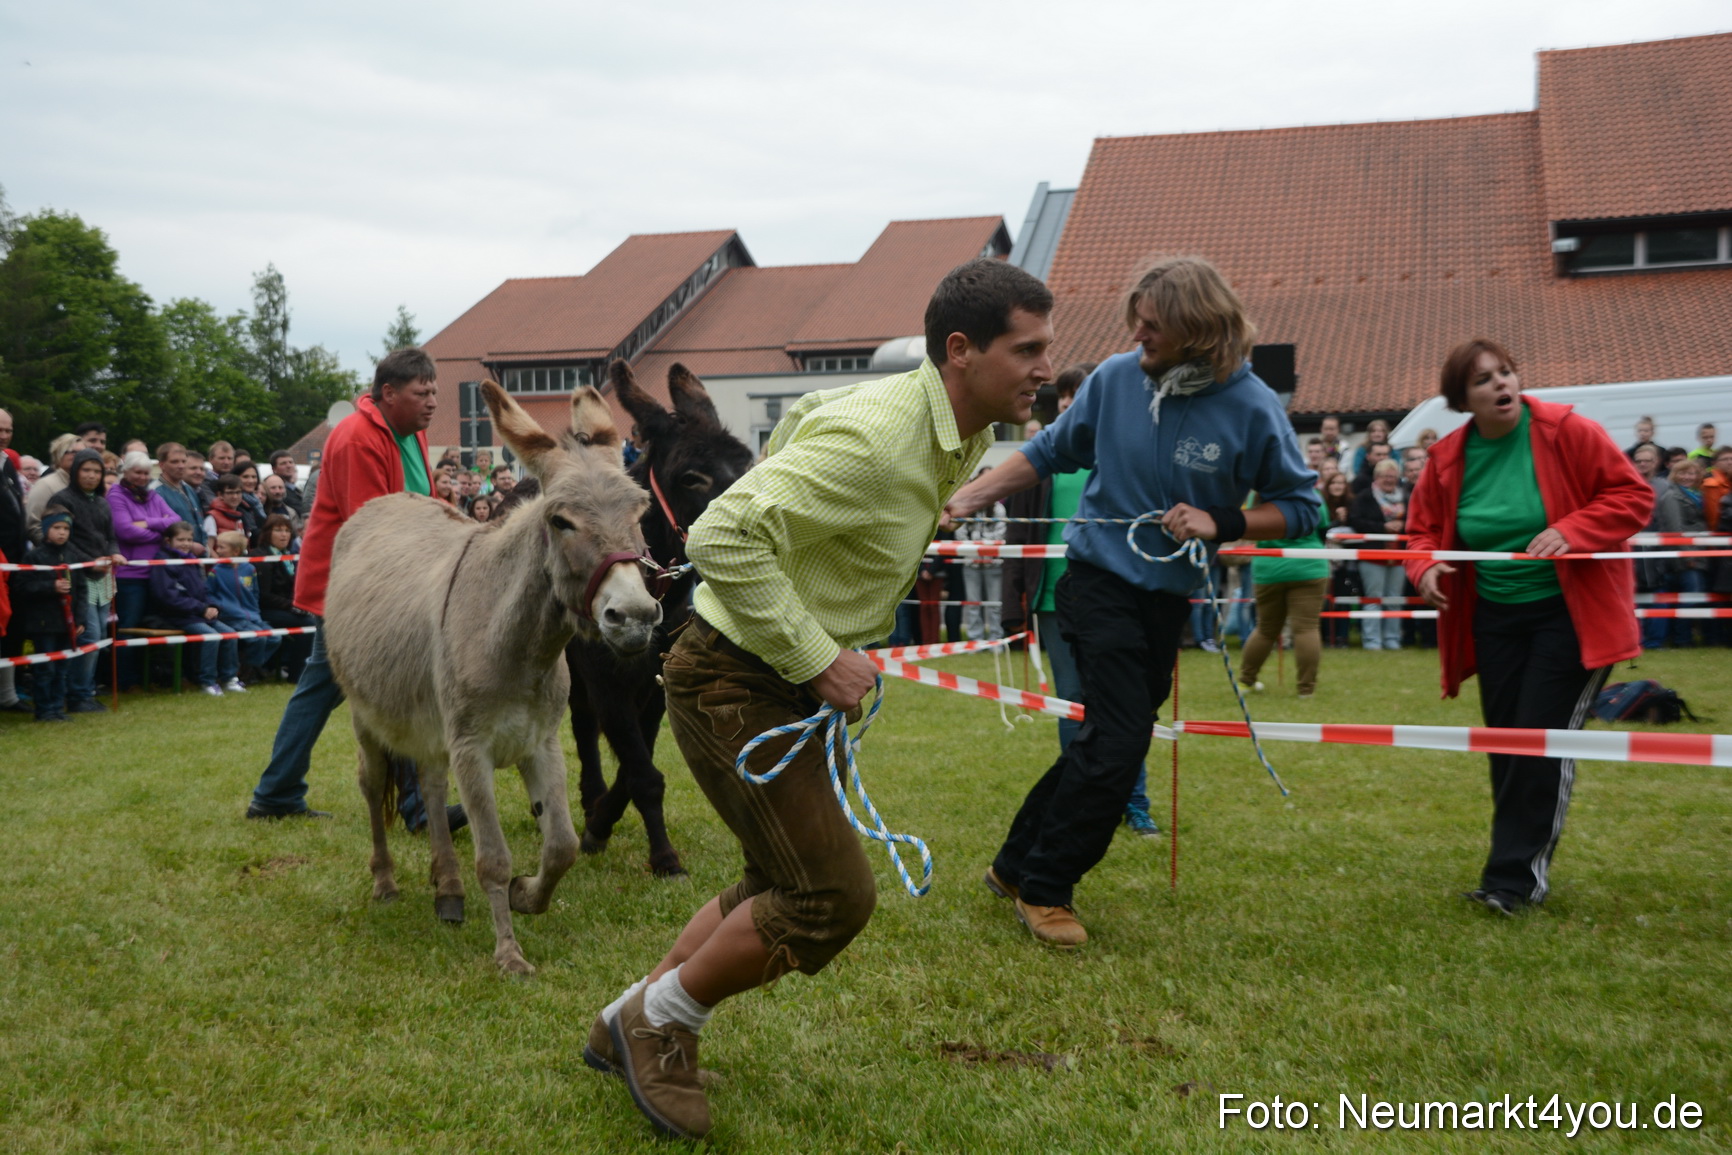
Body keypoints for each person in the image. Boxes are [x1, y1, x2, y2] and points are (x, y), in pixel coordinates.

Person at [586, 259, 1053, 1141]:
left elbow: (799, 426)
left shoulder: (940, 423)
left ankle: (627, 1018)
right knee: (831, 896)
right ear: (961, 351)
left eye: (1044, 348)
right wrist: (817, 654)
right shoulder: (885, 437)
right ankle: (663, 1022)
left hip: (768, 675)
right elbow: (721, 529)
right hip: (735, 674)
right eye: (1026, 349)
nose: (1043, 366)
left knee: (778, 879)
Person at [948, 255, 1319, 949]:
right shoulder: (1116, 380)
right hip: (1096, 582)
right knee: (1119, 740)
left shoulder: (1253, 405)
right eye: (1136, 322)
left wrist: (1223, 522)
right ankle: (1046, 885)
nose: (1136, 336)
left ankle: (1011, 864)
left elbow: (1300, 507)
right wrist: (968, 497)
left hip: (1167, 599)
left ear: (1199, 330)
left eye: (1152, 326)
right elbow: (1049, 451)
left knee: (1103, 739)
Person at [1406, 338, 1650, 916]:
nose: (1502, 385)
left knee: (1539, 741)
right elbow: (1419, 533)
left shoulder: (1569, 431)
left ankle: (1514, 881)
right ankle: (1508, 872)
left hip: (1570, 616)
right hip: (1495, 617)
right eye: (1485, 379)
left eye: (1507, 373)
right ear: (1461, 399)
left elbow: (1631, 496)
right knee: (1505, 742)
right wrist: (1425, 566)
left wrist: (1574, 529)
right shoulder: (1445, 460)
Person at [247, 346, 462, 834]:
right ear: (388, 393)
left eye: (434, 392)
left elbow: (419, 510)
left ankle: (280, 792)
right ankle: (414, 809)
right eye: (420, 392)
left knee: (328, 686)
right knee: (360, 685)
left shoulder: (409, 434)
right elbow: (374, 530)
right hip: (353, 589)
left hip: (390, 585)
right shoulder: (356, 438)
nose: (432, 403)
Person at [46, 448, 124, 712]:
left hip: (103, 579)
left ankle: (85, 690)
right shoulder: (62, 499)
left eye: (96, 471)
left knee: (100, 634)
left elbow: (110, 536)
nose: (91, 476)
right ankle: (76, 694)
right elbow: (64, 541)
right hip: (79, 578)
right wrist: (93, 562)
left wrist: (113, 553)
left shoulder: (102, 501)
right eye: (86, 470)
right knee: (88, 634)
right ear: (75, 471)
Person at [108, 451, 184, 690]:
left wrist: (148, 524)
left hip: (155, 573)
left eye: (145, 473)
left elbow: (176, 521)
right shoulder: (116, 495)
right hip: (130, 576)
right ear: (125, 472)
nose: (141, 477)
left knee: (152, 627)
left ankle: (146, 677)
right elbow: (125, 531)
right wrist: (160, 534)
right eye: (137, 472)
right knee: (128, 628)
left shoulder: (151, 496)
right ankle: (122, 680)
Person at [1238, 506, 1328, 698]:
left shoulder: (1262, 496)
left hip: (1269, 567)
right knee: (1307, 628)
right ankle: (1306, 689)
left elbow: (1250, 528)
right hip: (1309, 564)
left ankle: (1246, 681)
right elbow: (1323, 530)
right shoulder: (1313, 494)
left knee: (1265, 629)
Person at [146, 522, 245, 696]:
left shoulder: (192, 561)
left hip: (198, 613)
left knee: (230, 634)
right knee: (211, 637)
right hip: (177, 616)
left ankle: (230, 678)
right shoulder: (162, 562)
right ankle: (207, 681)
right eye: (180, 539)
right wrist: (201, 609)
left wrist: (211, 606)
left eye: (189, 540)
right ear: (168, 541)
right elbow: (168, 597)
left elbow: (202, 590)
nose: (185, 543)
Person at [14, 511, 86, 721]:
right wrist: (50, 586)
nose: (62, 533)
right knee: (45, 668)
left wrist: (79, 618)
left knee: (62, 667)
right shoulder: (34, 556)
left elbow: (81, 589)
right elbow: (21, 586)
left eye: (65, 529)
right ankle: (44, 709)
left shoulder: (73, 555)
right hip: (43, 622)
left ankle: (57, 707)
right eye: (57, 528)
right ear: (46, 529)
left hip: (67, 622)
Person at [1350, 458, 1408, 650]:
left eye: (1393, 476)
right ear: (1377, 477)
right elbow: (1356, 521)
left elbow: (1414, 521)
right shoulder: (1365, 497)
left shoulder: (1406, 497)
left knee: (1394, 599)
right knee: (1373, 597)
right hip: (1373, 555)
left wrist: (1402, 526)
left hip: (1399, 556)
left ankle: (1392, 639)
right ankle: (1372, 641)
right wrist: (1383, 527)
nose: (1389, 480)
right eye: (1385, 476)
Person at [208, 530, 280, 682]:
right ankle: (246, 675)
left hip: (252, 616)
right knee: (258, 639)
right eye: (217, 547)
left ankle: (250, 667)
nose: (217, 551)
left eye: (222, 547)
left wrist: (255, 612)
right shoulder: (215, 571)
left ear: (236, 551)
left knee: (275, 638)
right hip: (231, 617)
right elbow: (209, 594)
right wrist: (219, 606)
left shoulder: (249, 569)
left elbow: (254, 592)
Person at [1653, 457, 1710, 647]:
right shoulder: (1671, 496)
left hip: (1699, 552)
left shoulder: (1696, 494)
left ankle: (1685, 637)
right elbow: (1674, 529)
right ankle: (1682, 639)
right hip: (1686, 555)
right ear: (1675, 474)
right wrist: (1688, 556)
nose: (1688, 477)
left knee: (1694, 596)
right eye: (1683, 473)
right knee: (1690, 597)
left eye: (1691, 473)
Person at [255, 514, 313, 682]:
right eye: (278, 530)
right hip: (265, 610)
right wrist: (292, 605)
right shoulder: (261, 557)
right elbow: (264, 596)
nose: (284, 535)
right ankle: (297, 674)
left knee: (313, 618)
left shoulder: (289, 556)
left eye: (287, 531)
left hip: (287, 607)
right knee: (307, 624)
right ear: (267, 533)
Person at [955, 471, 1006, 641]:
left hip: (994, 564)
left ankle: (996, 640)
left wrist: (983, 550)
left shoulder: (998, 508)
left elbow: (1000, 534)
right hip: (971, 564)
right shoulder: (966, 508)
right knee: (973, 605)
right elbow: (960, 533)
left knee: (995, 605)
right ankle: (975, 640)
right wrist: (974, 552)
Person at [1701, 446, 1732, 532]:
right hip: (1721, 534)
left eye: (1731, 459)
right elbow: (1713, 517)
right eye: (1725, 459)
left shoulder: (1729, 480)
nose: (1729, 462)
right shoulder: (1712, 484)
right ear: (1714, 463)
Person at [268, 450, 305, 516]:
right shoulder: (275, 492)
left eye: (291, 462)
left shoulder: (296, 490)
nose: (289, 465)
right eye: (283, 463)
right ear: (274, 469)